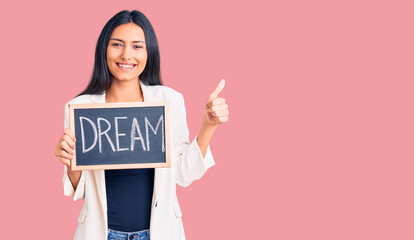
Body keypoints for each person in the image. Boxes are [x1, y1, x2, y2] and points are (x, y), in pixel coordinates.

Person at [54, 10, 229, 240]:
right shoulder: (80, 108)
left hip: (160, 232)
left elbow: (184, 173)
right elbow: (83, 189)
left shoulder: (170, 101)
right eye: (117, 44)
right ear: (103, 49)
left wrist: (208, 125)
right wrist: (70, 162)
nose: (126, 55)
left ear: (150, 53)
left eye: (137, 46)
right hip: (100, 233)